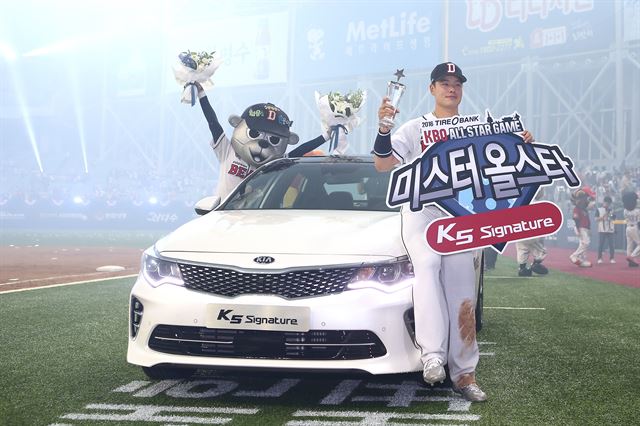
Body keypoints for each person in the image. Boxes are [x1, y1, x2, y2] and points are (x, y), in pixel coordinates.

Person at [372, 62, 533, 402]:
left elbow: (505, 162)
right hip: (423, 212)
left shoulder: (475, 128)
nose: (451, 88)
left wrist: (523, 144)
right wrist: (384, 128)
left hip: (461, 216)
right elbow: (384, 163)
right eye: (443, 83)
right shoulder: (416, 127)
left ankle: (464, 375)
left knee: (462, 291)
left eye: (456, 83)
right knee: (427, 271)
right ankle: (432, 356)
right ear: (431, 89)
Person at [569, 188, 594, 267]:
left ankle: (582, 260)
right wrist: (578, 228)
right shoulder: (576, 208)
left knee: (582, 244)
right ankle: (574, 255)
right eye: (583, 198)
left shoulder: (584, 209)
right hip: (580, 227)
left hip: (585, 228)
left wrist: (589, 229)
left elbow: (591, 203)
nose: (585, 200)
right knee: (586, 242)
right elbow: (576, 219)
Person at [595, 196, 616, 264]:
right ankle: (599, 258)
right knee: (601, 244)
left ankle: (612, 258)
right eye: (607, 203)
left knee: (611, 245)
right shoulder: (599, 209)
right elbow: (596, 219)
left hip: (610, 229)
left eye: (609, 203)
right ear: (604, 202)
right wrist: (604, 216)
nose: (608, 205)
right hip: (602, 229)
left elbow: (613, 218)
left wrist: (611, 215)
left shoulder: (612, 210)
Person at [622, 191, 640, 267]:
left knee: (629, 245)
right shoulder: (637, 211)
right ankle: (632, 256)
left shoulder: (625, 210)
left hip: (628, 227)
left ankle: (631, 262)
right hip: (634, 228)